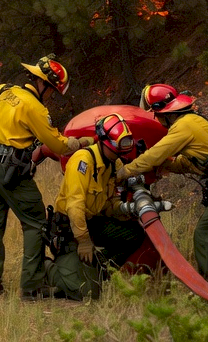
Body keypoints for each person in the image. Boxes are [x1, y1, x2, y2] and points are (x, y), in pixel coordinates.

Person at [116, 85, 208, 298]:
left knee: (206, 235)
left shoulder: (183, 126)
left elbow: (154, 155)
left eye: (156, 115)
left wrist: (125, 170)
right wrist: (166, 164)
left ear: (163, 112)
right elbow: (185, 164)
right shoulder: (193, 122)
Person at [0, 54, 93, 300]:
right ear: (44, 84)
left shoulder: (3, 91)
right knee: (36, 222)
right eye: (52, 91)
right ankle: (31, 287)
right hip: (11, 169)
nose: (51, 96)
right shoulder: (35, 108)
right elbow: (58, 145)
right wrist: (81, 142)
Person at [44, 113, 145, 300]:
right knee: (87, 293)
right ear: (104, 143)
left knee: (135, 234)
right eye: (117, 151)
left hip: (93, 222)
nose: (120, 156)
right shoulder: (82, 161)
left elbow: (107, 202)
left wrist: (123, 210)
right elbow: (75, 206)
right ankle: (48, 268)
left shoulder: (112, 163)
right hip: (71, 229)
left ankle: (99, 270)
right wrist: (83, 241)